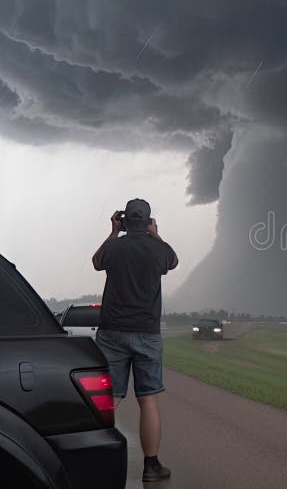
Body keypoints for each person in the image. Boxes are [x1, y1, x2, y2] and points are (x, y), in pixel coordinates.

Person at [92, 198, 178, 483]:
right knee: (148, 401)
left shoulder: (115, 247)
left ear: (125, 219)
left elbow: (96, 262)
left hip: (112, 332)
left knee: (109, 399)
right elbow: (173, 261)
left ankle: (94, 461)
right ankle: (151, 466)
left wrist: (114, 232)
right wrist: (157, 235)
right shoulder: (158, 250)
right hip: (147, 334)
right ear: (149, 221)